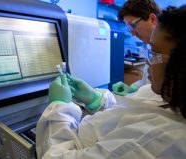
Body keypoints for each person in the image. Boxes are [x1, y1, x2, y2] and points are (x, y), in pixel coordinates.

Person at [36, 6, 186, 159]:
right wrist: (97, 99)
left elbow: (54, 156)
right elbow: (130, 112)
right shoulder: (171, 95)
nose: (148, 60)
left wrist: (59, 107)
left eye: (154, 52)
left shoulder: (155, 142)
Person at [113, 0, 161, 96]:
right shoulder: (149, 46)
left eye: (133, 25)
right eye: (129, 28)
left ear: (152, 19)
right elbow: (146, 82)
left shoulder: (172, 49)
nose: (132, 33)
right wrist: (133, 88)